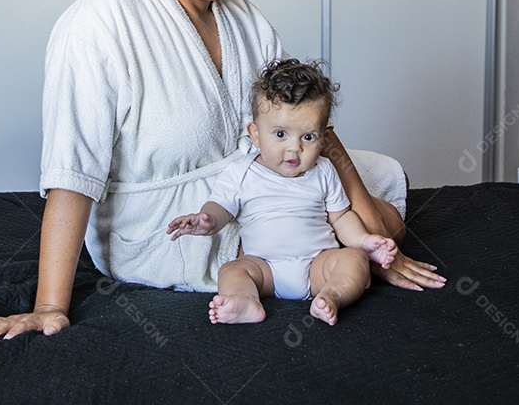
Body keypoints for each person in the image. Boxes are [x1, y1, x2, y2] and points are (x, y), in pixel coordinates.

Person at [0, 0, 444, 342]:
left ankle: (358, 242)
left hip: (257, 177)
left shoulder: (242, 17)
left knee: (382, 186)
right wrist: (49, 305)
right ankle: (333, 256)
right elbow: (73, 170)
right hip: (172, 223)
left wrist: (369, 229)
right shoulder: (103, 17)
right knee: (375, 220)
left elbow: (303, 117)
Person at [167, 59, 398, 326]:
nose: (294, 148)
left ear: (323, 138)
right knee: (232, 270)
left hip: (317, 265)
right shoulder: (241, 172)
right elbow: (220, 207)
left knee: (354, 260)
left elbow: (342, 217)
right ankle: (246, 301)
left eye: (308, 137)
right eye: (280, 134)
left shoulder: (323, 170)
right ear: (255, 134)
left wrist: (364, 241)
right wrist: (206, 220)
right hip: (264, 268)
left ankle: (332, 295)